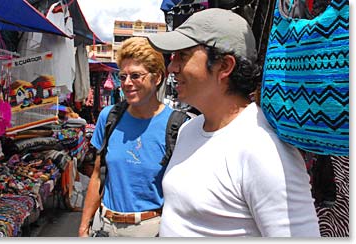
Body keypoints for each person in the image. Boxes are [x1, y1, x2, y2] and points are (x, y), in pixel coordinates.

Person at [147, 8, 320, 237]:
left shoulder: (263, 149)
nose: (171, 67)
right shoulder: (188, 129)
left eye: (183, 55)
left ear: (224, 66)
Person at [78, 37, 173, 237]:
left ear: (157, 78)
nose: (127, 83)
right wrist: (84, 227)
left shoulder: (175, 126)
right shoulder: (109, 117)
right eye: (123, 77)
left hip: (150, 229)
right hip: (104, 226)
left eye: (136, 76)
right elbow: (97, 175)